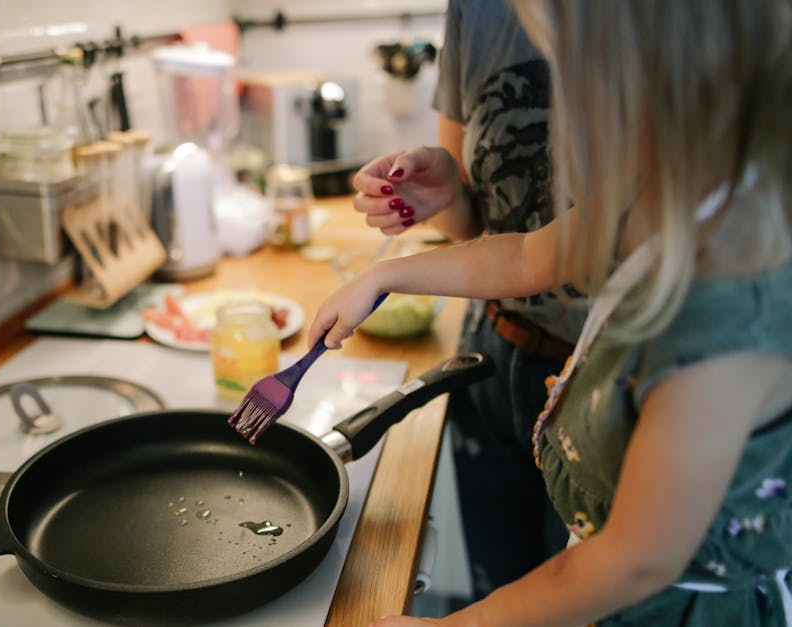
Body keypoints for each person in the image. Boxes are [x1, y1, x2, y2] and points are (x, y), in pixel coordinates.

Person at [313, 0, 792, 624]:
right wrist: (384, 275)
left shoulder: (725, 318)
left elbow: (633, 561)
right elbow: (524, 260)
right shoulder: (671, 190)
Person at [353, 0, 573, 600]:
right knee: (494, 584)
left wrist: (386, 278)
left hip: (606, 376)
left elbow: (630, 565)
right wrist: (444, 188)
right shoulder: (477, 11)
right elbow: (479, 226)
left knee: (571, 599)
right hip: (492, 359)